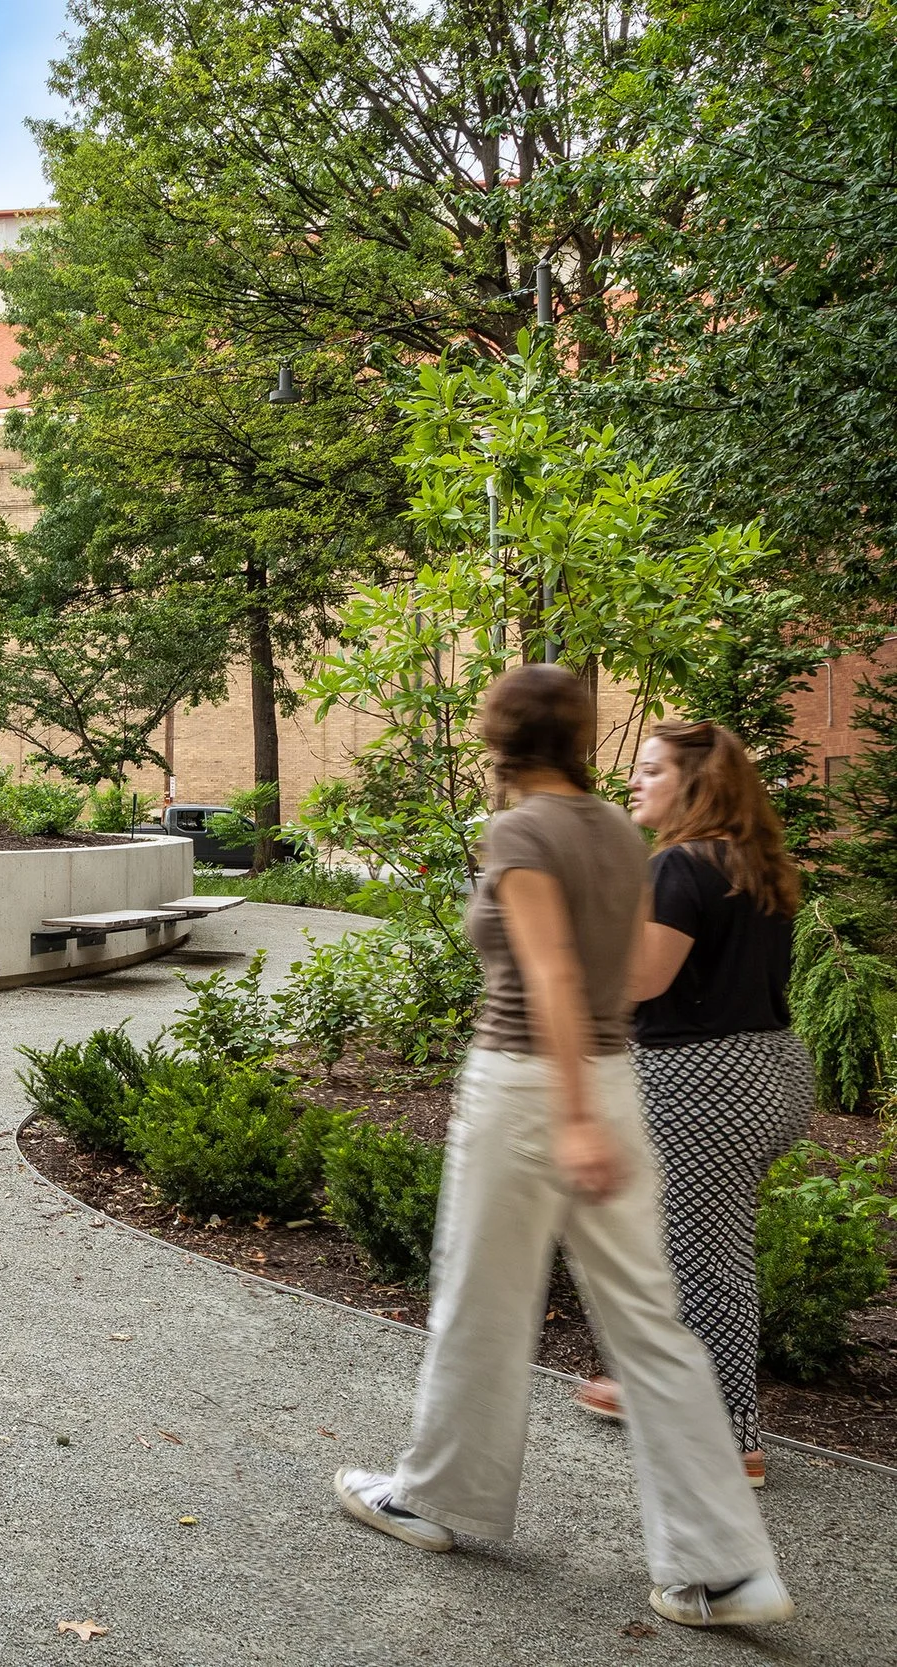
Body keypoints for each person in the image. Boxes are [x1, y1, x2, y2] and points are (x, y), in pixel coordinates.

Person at [331, 665, 789, 1630]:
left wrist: (572, 1117)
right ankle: (725, 1568)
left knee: (481, 1300)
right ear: (578, 735)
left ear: (499, 738)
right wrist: (596, 1108)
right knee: (653, 1325)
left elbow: (549, 977)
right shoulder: (620, 833)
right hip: (618, 1079)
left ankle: (432, 1496)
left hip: (532, 1087)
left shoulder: (523, 831)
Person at [570, 722, 808, 1488]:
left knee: (703, 1258)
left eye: (650, 769)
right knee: (682, 1242)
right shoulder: (755, 863)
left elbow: (641, 978)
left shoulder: (679, 862)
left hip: (701, 1078)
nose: (633, 782)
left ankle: (733, 1440)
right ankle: (653, 1386)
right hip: (767, 1068)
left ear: (696, 783)